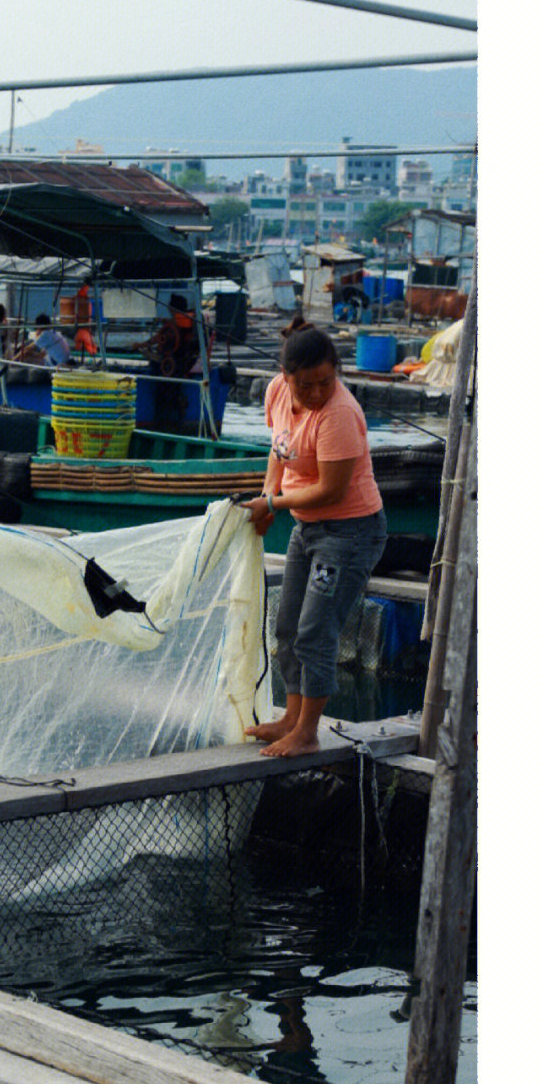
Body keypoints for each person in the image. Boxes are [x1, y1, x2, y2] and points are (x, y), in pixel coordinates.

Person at [241, 319, 386, 757]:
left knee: (315, 630)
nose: (316, 392)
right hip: (308, 529)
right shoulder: (278, 393)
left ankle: (307, 732)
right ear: (286, 378)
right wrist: (269, 494)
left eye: (326, 381)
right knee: (286, 627)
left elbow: (331, 490)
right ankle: (290, 717)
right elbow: (278, 450)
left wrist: (273, 505)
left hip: (349, 532)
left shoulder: (339, 414)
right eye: (306, 385)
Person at [139, 293, 195, 429]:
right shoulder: (190, 322)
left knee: (165, 397)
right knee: (177, 394)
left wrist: (141, 345)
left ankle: (163, 423)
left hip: (169, 366)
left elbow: (158, 339)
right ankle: (178, 422)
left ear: (171, 307)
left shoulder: (173, 324)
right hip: (183, 364)